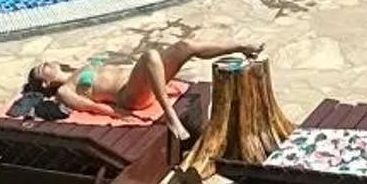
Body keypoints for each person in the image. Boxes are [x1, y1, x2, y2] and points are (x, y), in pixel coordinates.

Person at [27, 38, 264, 142]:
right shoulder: (65, 91)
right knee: (150, 55)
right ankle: (171, 116)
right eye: (41, 69)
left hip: (141, 80)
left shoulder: (79, 69)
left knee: (185, 46)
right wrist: (119, 115)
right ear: (45, 83)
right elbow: (92, 106)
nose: (45, 63)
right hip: (129, 96)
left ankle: (242, 47)